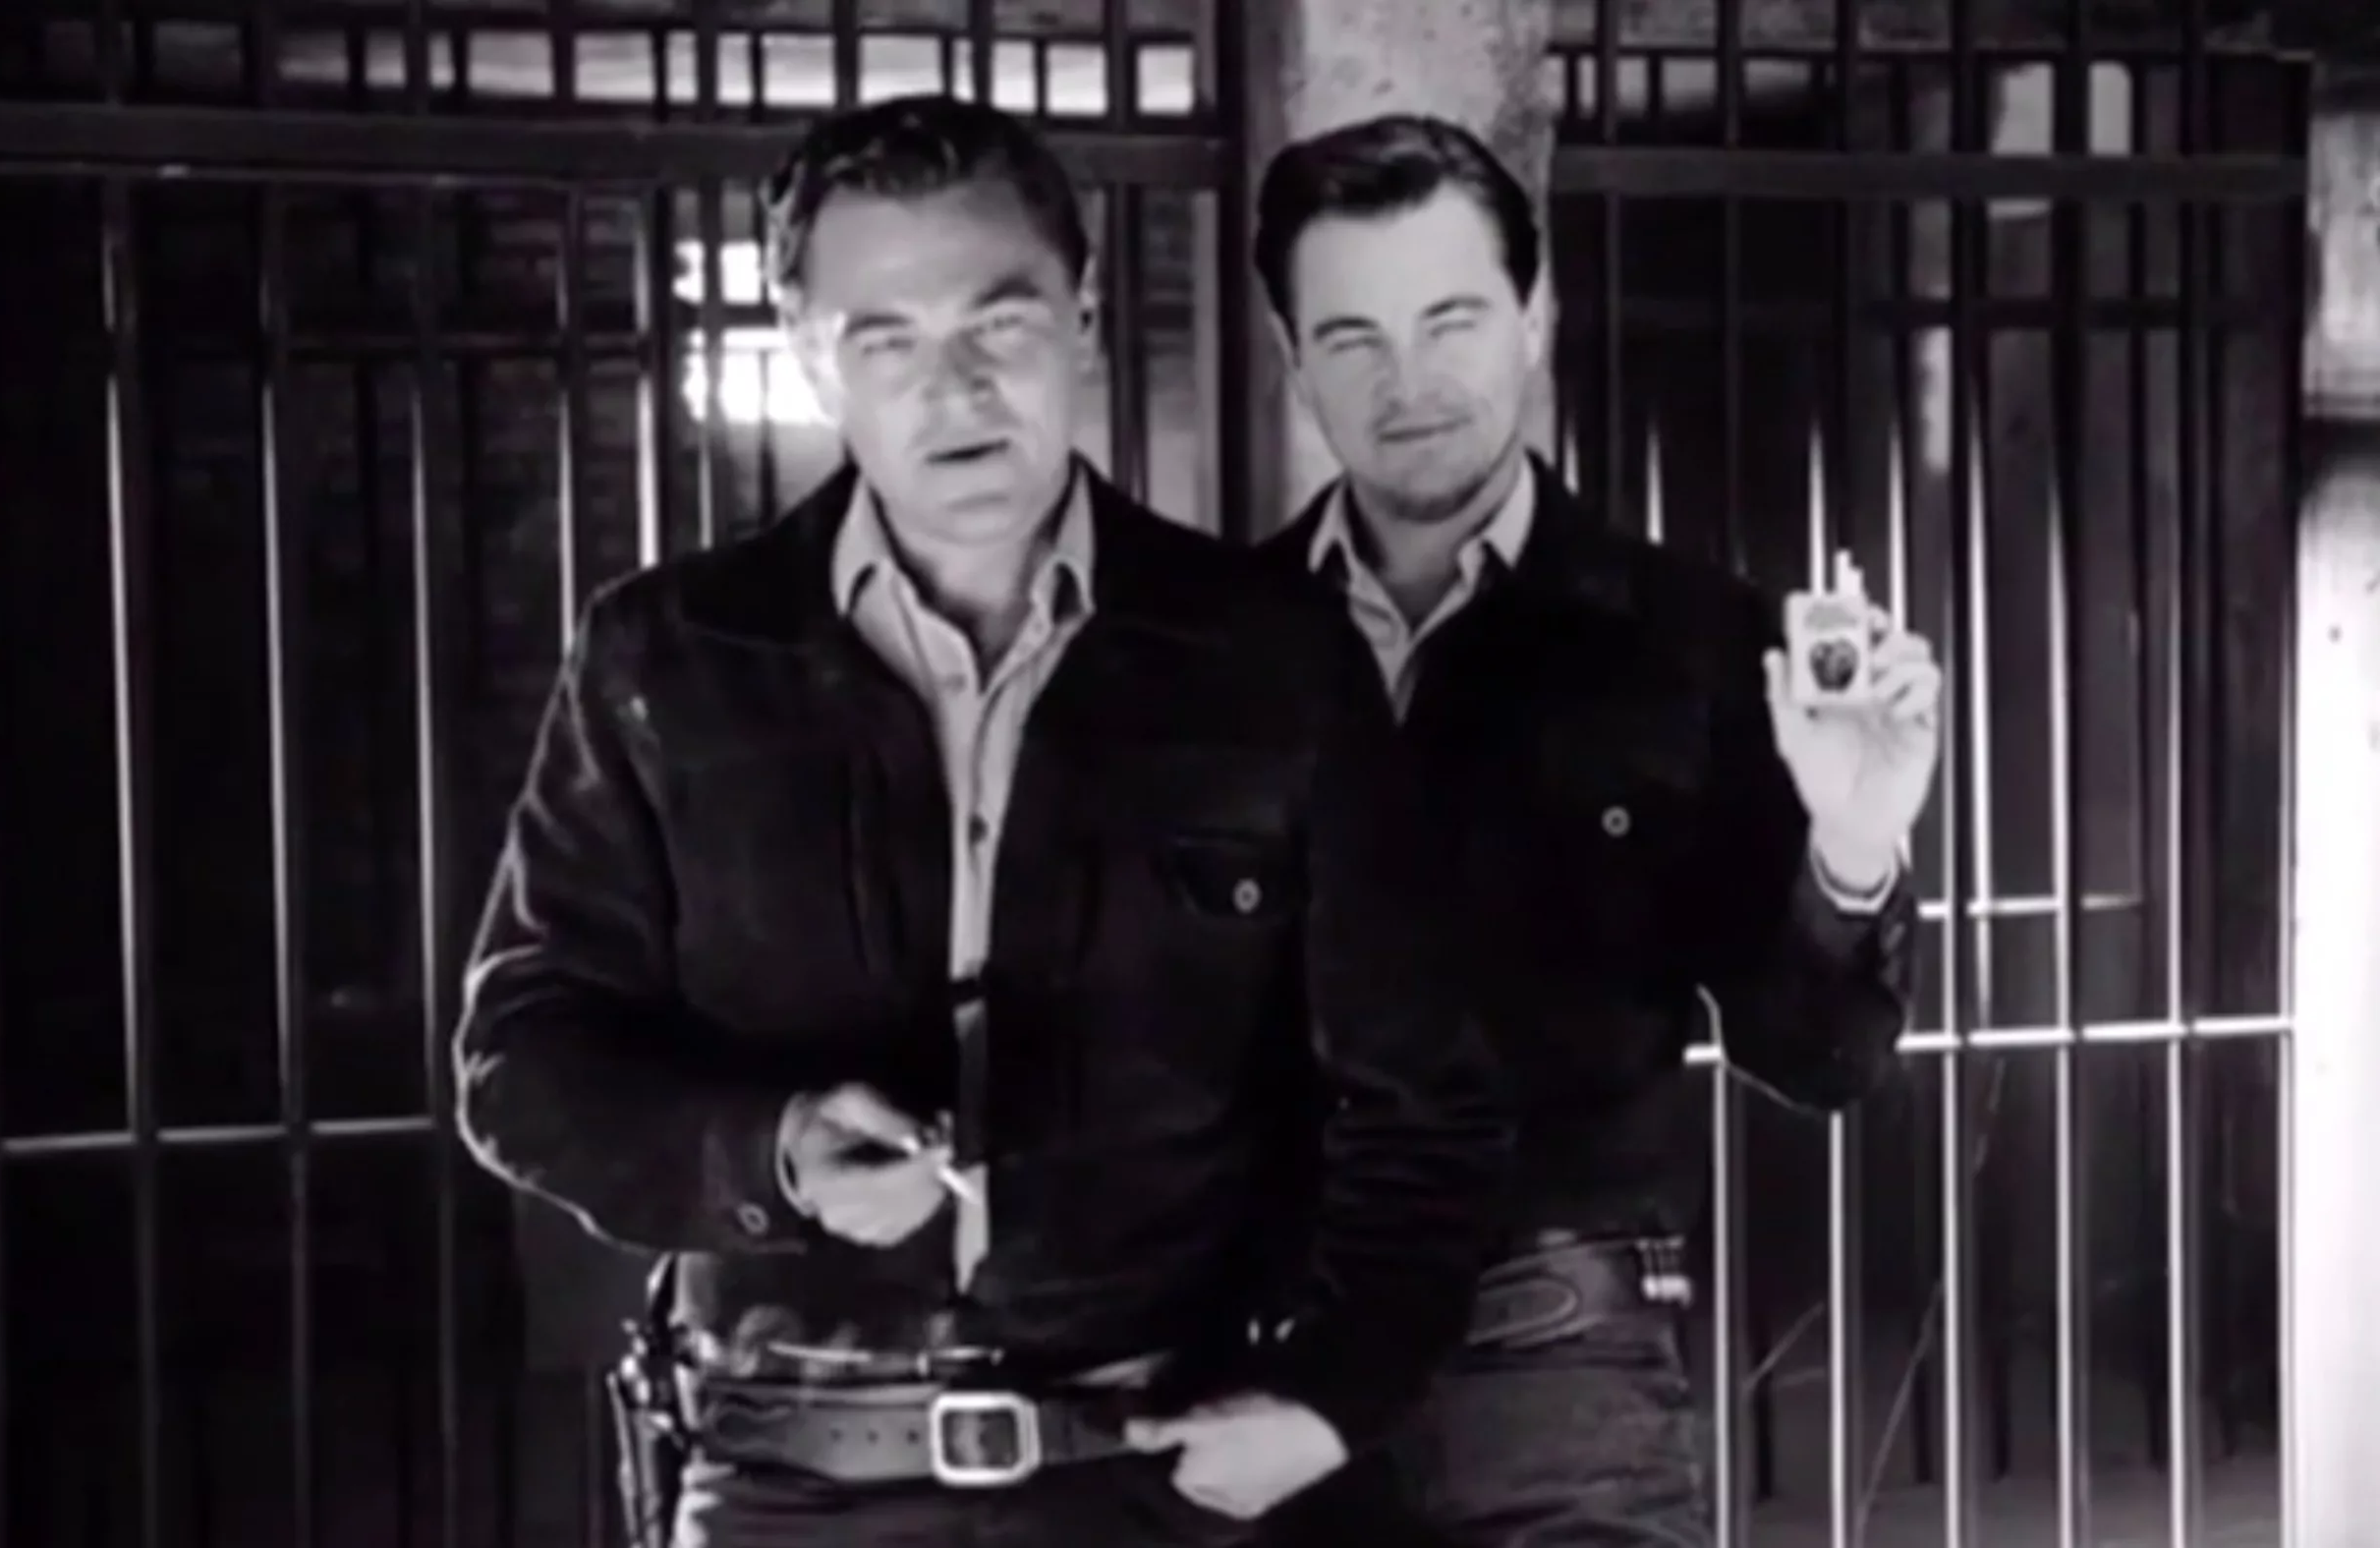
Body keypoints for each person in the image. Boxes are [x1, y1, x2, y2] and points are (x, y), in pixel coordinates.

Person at [452, 94, 1514, 1548]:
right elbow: (521, 1059)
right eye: (885, 341)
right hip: (785, 1488)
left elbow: (1425, 1104)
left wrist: (1333, 1399)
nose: (953, 390)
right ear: (808, 353)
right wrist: (772, 1154)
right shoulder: (669, 659)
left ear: (1082, 317)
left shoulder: (1271, 655)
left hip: (1162, 1479)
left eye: (998, 325)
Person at [1248, 115, 1942, 1547]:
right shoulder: (1208, 644)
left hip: (1557, 1356)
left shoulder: (1694, 641)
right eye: (1353, 336)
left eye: (1451, 320)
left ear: (1537, 314)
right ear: (1288, 354)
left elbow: (1819, 1057)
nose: (1408, 381)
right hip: (1266, 1351)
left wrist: (1852, 842)